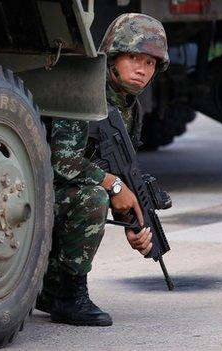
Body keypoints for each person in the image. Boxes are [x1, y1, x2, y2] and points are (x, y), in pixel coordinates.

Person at [36, 13, 170, 326]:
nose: (141, 70)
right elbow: (60, 160)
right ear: (113, 57)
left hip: (59, 191)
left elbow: (113, 162)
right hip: (32, 186)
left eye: (150, 63)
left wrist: (132, 219)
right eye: (134, 58)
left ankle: (51, 283)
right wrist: (114, 186)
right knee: (93, 198)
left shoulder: (129, 104)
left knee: (106, 193)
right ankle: (67, 295)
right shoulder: (84, 91)